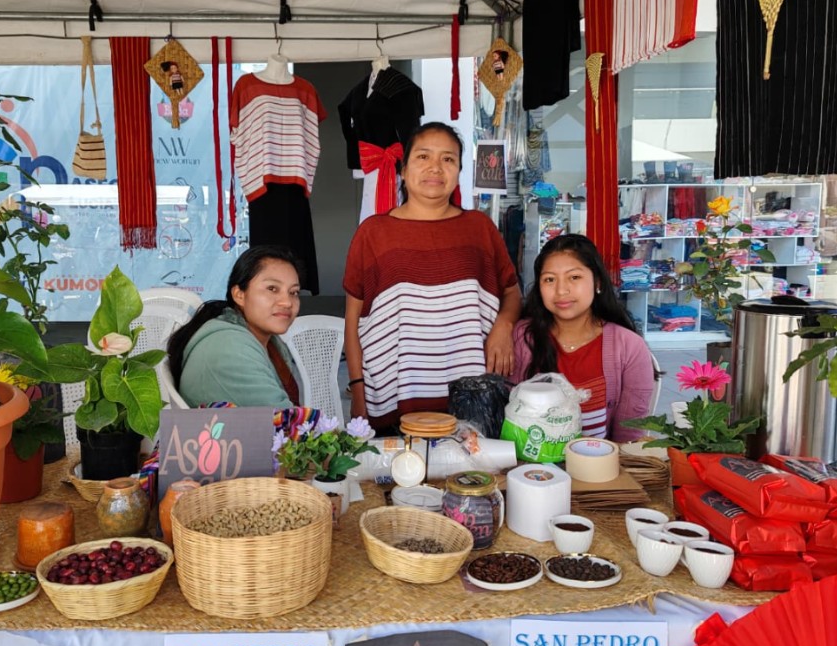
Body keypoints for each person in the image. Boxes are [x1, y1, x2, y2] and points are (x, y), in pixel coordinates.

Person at [343, 121, 523, 430]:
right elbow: (352, 320)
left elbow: (512, 291)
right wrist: (357, 389)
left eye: (448, 158)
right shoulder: (373, 233)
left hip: (471, 396)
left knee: (470, 460)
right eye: (423, 156)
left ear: (459, 171)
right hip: (392, 394)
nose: (435, 167)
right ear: (403, 169)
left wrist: (504, 326)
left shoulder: (479, 228)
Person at [510, 234, 653, 441]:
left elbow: (628, 437)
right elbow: (508, 419)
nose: (561, 290)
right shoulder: (522, 338)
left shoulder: (629, 347)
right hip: (529, 461)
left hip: (603, 460)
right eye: (549, 279)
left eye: (574, 277)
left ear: (597, 282)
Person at [167, 245, 302, 408]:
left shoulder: (265, 341)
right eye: (272, 288)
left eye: (293, 292)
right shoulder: (229, 347)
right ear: (239, 295)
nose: (287, 302)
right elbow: (284, 418)